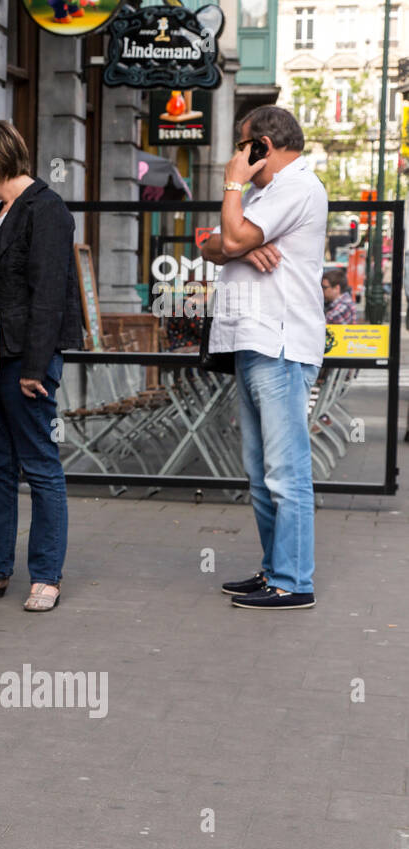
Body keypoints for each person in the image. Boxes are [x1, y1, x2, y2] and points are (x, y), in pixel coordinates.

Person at [200, 106, 327, 610]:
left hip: (279, 344)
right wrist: (241, 247)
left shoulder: (296, 187)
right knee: (259, 469)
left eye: (241, 145)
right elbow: (212, 243)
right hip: (251, 342)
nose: (236, 155)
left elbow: (227, 236)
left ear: (262, 148)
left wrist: (233, 190)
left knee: (285, 470)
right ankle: (276, 569)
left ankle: (294, 581)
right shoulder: (263, 195)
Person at [0, 120, 81, 612]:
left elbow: (49, 294)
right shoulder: (0, 210)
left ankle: (46, 575)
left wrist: (34, 367)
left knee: (40, 466)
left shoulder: (46, 209)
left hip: (26, 360)